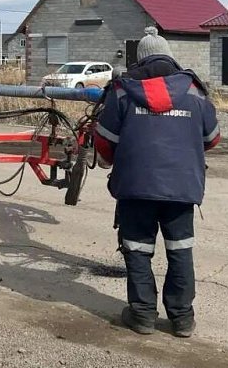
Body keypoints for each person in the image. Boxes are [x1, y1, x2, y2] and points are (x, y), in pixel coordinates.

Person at [93, 27, 220, 338]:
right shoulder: (193, 91)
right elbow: (213, 138)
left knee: (137, 248)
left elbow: (104, 142)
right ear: (170, 56)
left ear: (140, 58)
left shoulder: (123, 91)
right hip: (182, 187)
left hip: (136, 187)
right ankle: (182, 318)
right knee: (180, 249)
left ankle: (143, 315)